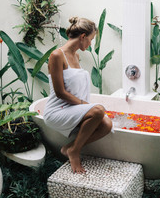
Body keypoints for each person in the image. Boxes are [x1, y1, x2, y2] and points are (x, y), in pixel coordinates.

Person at [44, 17, 112, 173]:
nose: (90, 45)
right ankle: (75, 152)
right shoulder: (56, 56)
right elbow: (60, 92)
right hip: (57, 110)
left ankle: (70, 147)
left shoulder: (76, 56)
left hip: (73, 107)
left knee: (107, 125)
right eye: (90, 40)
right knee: (98, 110)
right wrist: (85, 106)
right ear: (82, 37)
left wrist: (85, 107)